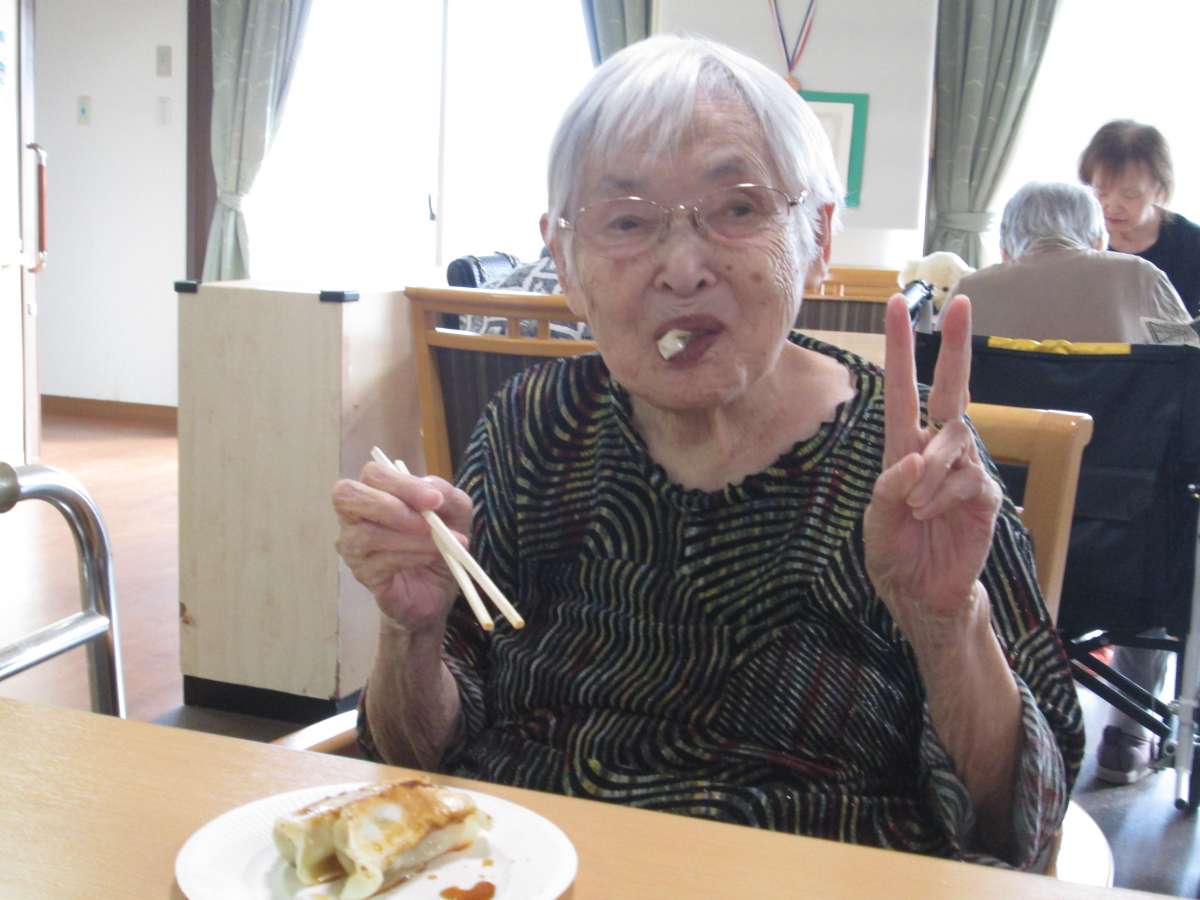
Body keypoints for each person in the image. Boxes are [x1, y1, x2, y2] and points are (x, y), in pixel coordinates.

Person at [333, 35, 1082, 870]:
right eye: (627, 221)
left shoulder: (912, 466)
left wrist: (947, 625)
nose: (683, 269)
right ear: (564, 261)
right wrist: (411, 630)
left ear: (817, 237)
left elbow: (1020, 827)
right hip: (524, 873)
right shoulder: (531, 425)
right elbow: (415, 760)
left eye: (737, 209)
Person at [952, 181, 1193, 343]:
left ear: (1004, 250)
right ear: (1099, 242)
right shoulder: (1142, 277)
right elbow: (1189, 360)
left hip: (996, 408)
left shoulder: (968, 292)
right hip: (1119, 408)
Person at [1080, 120, 1200, 317]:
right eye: (1101, 192)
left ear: (1159, 188)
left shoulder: (1192, 243)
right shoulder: (1074, 237)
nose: (1112, 206)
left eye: (1130, 195)